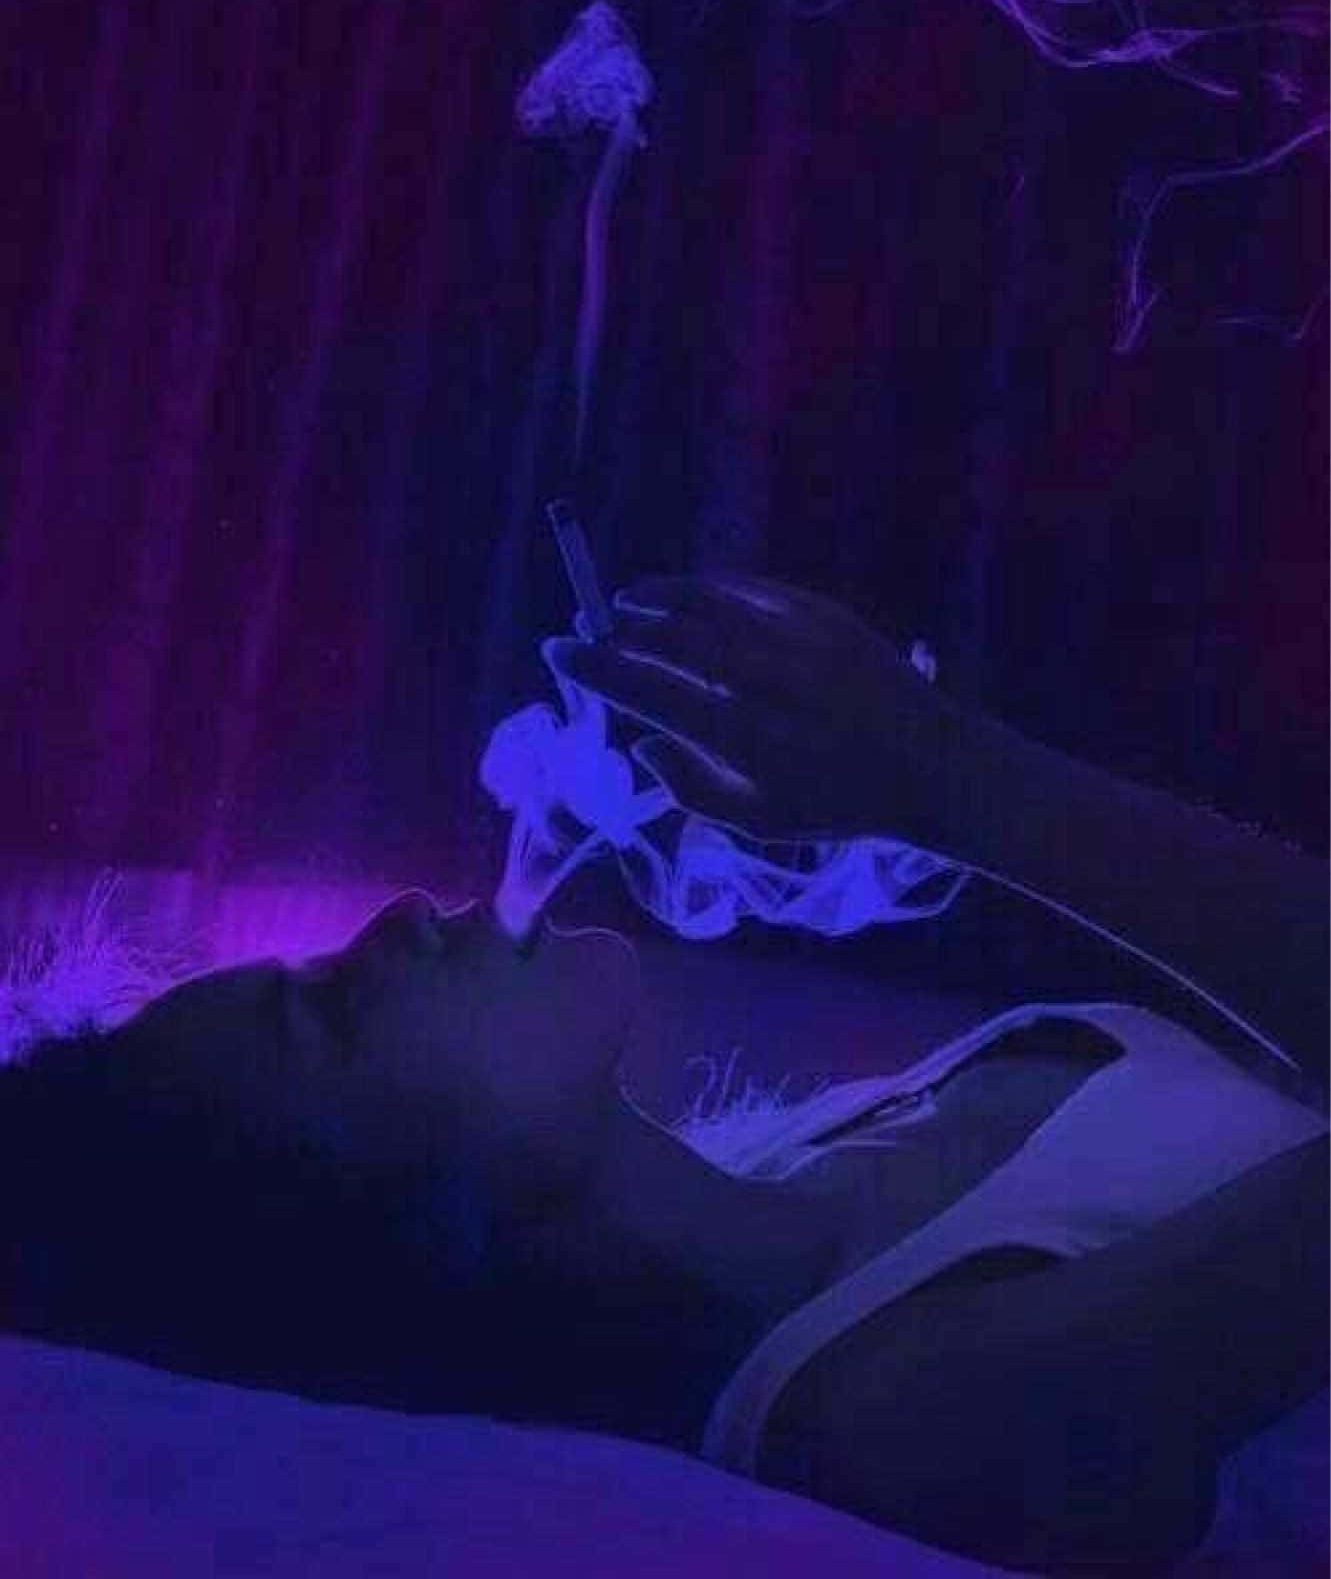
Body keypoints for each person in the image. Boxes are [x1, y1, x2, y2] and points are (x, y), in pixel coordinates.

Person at [0, 576, 1325, 1574]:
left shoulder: (815, 1151)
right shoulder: (900, 1416)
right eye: (332, 1014)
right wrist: (948, 781)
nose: (392, 922)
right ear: (375, 1239)